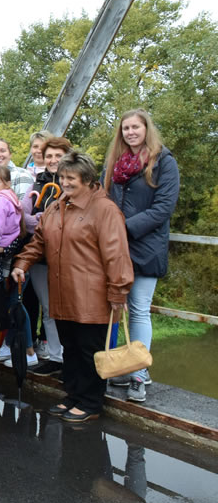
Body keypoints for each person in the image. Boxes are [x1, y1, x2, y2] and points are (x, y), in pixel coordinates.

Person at [13, 152, 133, 423]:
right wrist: (22, 262)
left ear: (88, 180)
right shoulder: (57, 206)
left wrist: (118, 291)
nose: (65, 183)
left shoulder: (105, 210)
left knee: (90, 350)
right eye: (62, 177)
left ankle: (91, 402)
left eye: (71, 178)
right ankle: (74, 395)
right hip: (63, 292)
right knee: (70, 347)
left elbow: (117, 254)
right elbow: (39, 242)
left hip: (93, 296)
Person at [102, 108, 180, 402]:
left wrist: (123, 227)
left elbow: (163, 208)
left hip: (145, 245)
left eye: (136, 127)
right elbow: (103, 198)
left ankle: (138, 375)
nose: (130, 132)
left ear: (147, 129)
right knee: (114, 305)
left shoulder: (164, 162)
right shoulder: (114, 162)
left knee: (139, 308)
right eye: (125, 128)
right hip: (114, 246)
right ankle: (126, 364)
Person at [22, 135, 72, 375]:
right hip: (40, 254)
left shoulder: (75, 182)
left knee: (68, 307)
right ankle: (56, 357)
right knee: (48, 307)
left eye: (58, 156)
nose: (53, 160)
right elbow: (28, 213)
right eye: (49, 155)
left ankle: (70, 357)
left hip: (68, 256)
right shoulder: (39, 182)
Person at [0, 165, 34, 371]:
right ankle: (16, 348)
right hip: (6, 252)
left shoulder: (0, 202)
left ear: (7, 183)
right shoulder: (13, 201)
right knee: (10, 304)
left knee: (9, 305)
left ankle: (27, 350)